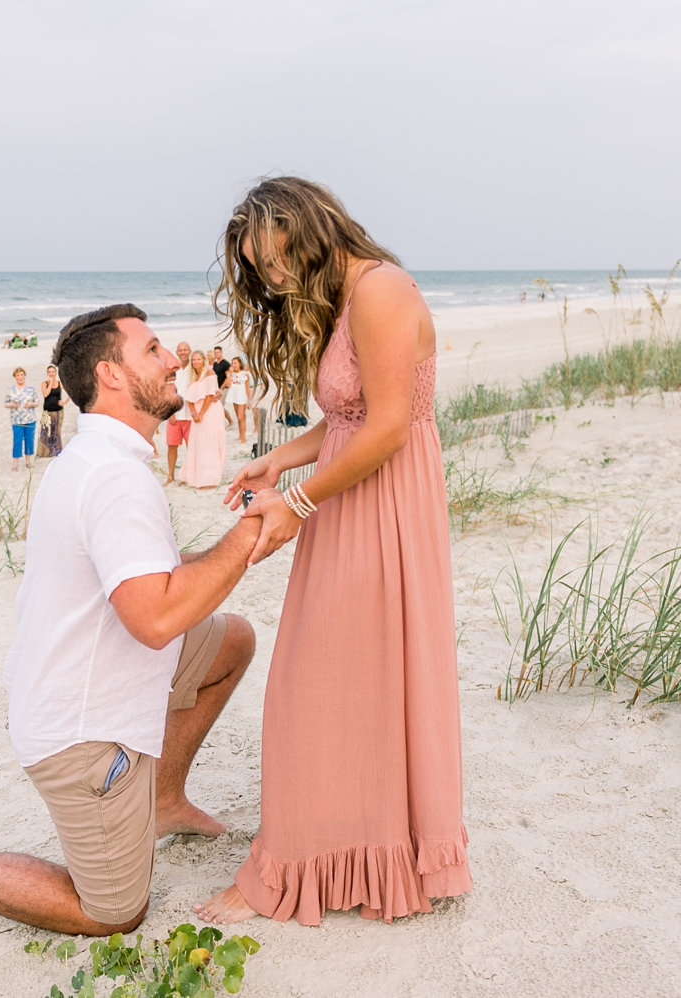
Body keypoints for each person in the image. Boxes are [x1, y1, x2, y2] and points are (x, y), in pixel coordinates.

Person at [0, 303, 260, 941]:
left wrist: (233, 542)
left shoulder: (93, 458)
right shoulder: (112, 478)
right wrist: (250, 536)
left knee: (230, 641)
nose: (172, 361)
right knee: (114, 912)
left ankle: (162, 799)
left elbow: (145, 575)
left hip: (78, 674)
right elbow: (155, 618)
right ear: (110, 374)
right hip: (80, 732)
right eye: (154, 350)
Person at [196, 177, 472, 927]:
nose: (273, 281)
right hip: (347, 496)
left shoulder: (381, 290)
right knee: (339, 682)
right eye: (260, 270)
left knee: (309, 682)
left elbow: (388, 428)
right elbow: (350, 418)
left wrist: (299, 503)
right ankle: (345, 851)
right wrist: (281, 460)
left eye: (274, 262)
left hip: (379, 505)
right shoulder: (350, 297)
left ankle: (304, 866)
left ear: (305, 231)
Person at [178, 350, 224, 489]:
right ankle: (194, 475)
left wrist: (202, 414)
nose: (196, 362)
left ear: (204, 360)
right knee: (197, 443)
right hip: (197, 414)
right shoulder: (193, 377)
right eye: (194, 360)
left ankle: (209, 479)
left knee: (209, 442)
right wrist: (194, 414)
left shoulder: (210, 374)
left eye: (199, 359)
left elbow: (210, 396)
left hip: (210, 412)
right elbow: (189, 399)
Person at [162, 341, 192, 485]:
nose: (183, 352)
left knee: (191, 447)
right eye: (180, 350)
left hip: (191, 416)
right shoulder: (172, 369)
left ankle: (187, 476)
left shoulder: (195, 368)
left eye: (185, 349)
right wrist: (169, 412)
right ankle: (170, 475)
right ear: (177, 352)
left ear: (190, 351)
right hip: (174, 415)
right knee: (171, 446)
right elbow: (165, 390)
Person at [5, 366, 38, 471]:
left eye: (22, 375)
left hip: (30, 419)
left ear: (25, 376)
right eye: (18, 375)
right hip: (17, 420)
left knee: (29, 441)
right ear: (15, 377)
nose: (20, 377)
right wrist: (13, 405)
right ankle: (15, 465)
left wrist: (31, 404)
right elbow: (6, 404)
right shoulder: (10, 390)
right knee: (17, 441)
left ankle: (28, 462)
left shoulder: (31, 389)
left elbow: (37, 402)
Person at [39, 363, 65, 458]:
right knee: (46, 431)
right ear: (47, 373)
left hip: (58, 411)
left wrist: (64, 402)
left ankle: (57, 450)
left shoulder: (59, 383)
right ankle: (45, 452)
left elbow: (68, 392)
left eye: (53, 372)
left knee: (57, 431)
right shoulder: (44, 383)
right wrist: (50, 384)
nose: (51, 373)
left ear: (55, 372)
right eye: (49, 372)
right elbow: (45, 394)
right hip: (47, 411)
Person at [227, 357, 251, 445]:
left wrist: (249, 400)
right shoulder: (231, 374)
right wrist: (230, 373)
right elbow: (228, 384)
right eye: (232, 363)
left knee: (241, 417)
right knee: (239, 418)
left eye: (235, 363)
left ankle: (243, 437)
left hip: (242, 398)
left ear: (240, 364)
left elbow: (248, 388)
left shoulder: (245, 374)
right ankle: (241, 436)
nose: (234, 365)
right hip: (234, 397)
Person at [211, 345, 233, 427]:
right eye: (215, 352)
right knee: (216, 406)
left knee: (220, 406)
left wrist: (221, 388)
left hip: (223, 388)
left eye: (218, 352)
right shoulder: (215, 364)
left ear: (221, 353)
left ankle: (230, 421)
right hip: (216, 388)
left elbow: (229, 377)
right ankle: (219, 422)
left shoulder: (226, 364)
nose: (216, 354)